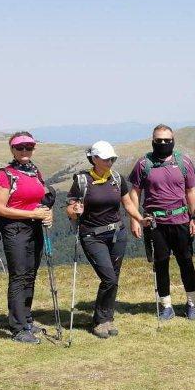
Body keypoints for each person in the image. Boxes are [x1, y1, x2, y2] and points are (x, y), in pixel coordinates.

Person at [65, 141, 150, 338]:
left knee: (114, 278)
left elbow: (127, 203)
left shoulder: (117, 178)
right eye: (106, 159)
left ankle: (107, 318)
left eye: (112, 158)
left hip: (117, 234)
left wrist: (140, 219)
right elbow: (69, 209)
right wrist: (75, 211)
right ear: (94, 159)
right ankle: (100, 321)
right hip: (92, 235)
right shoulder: (82, 181)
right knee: (109, 278)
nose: (110, 162)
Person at [128, 124, 195, 321]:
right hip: (155, 222)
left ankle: (192, 303)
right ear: (152, 141)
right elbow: (135, 192)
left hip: (181, 219)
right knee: (161, 264)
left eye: (167, 140)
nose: (162, 144)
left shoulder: (184, 162)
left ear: (173, 141)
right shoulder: (144, 164)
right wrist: (135, 219)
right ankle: (166, 306)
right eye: (158, 140)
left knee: (186, 262)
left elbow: (191, 191)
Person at [0, 131, 54, 343]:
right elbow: (0, 209)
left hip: (34, 228)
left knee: (30, 274)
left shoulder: (34, 171)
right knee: (19, 276)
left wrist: (46, 213)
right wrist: (32, 214)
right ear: (12, 149)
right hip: (14, 230)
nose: (25, 151)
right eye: (20, 147)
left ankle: (26, 318)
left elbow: (42, 198)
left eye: (29, 147)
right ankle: (18, 328)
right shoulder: (5, 174)